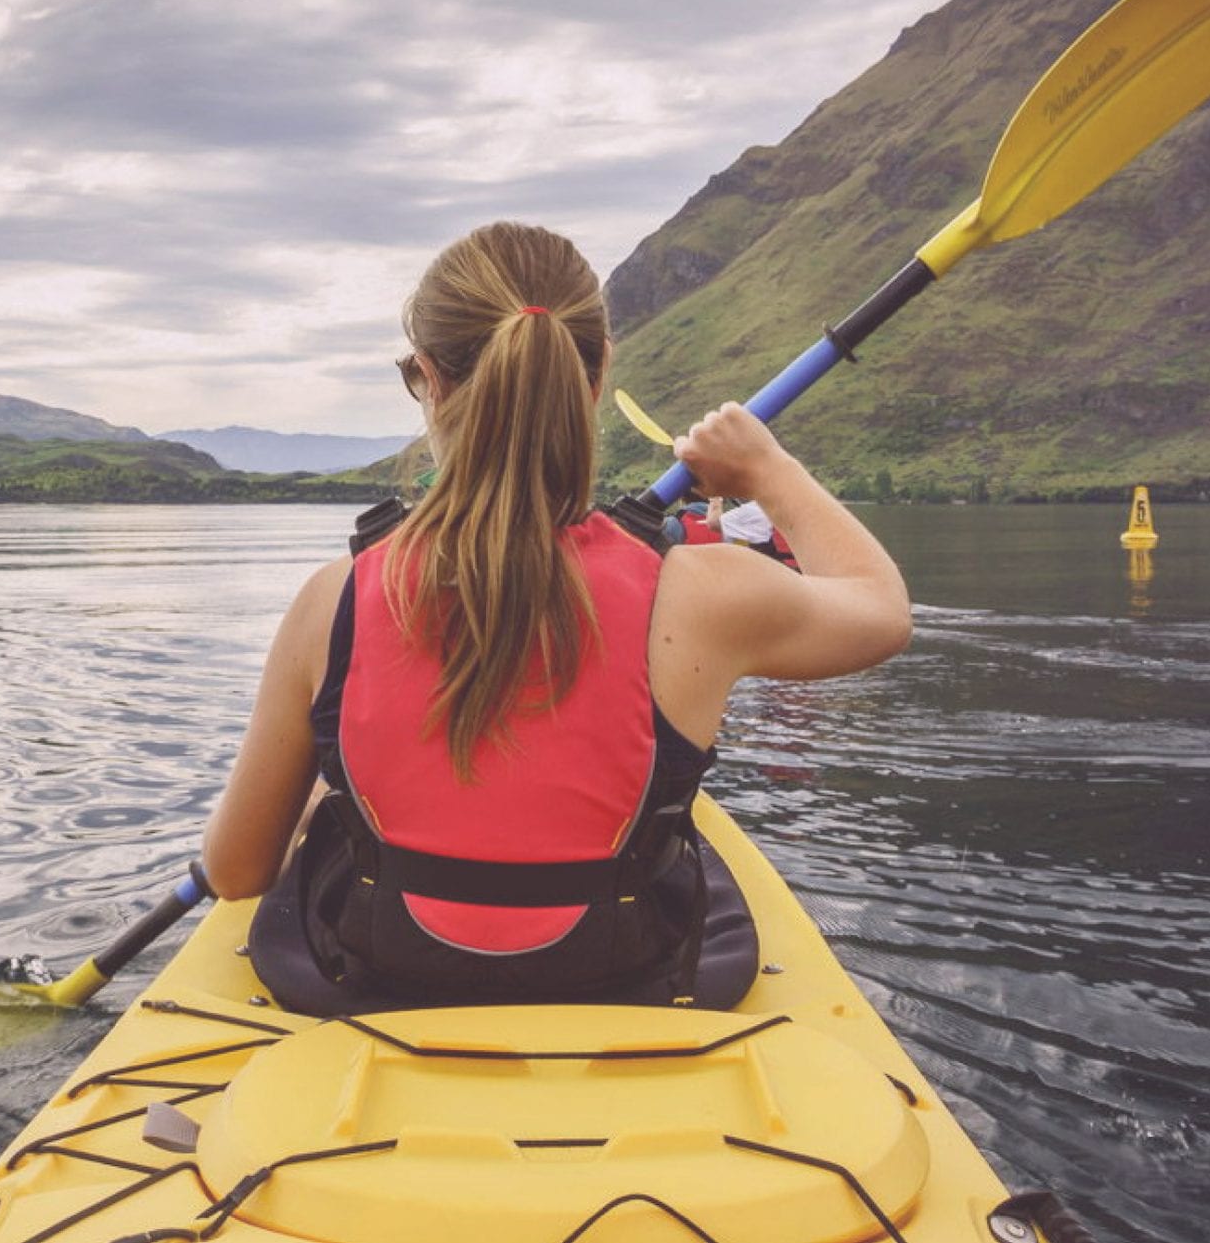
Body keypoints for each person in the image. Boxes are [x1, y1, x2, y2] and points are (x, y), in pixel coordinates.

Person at [203, 222, 910, 1011]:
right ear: (599, 369)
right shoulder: (705, 593)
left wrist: (325, 793)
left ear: (429, 380)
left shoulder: (332, 600)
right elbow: (881, 609)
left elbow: (236, 870)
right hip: (625, 979)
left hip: (381, 980)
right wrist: (767, 470)